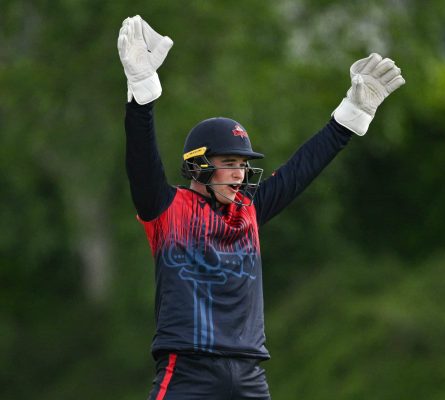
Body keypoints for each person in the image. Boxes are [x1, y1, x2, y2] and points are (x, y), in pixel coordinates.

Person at [118, 15, 405, 400]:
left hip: (249, 375)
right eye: (229, 164)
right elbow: (141, 161)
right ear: (198, 165)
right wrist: (141, 95)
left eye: (243, 165)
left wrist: (349, 118)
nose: (239, 174)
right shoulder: (167, 208)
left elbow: (302, 169)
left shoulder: (247, 211)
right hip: (188, 372)